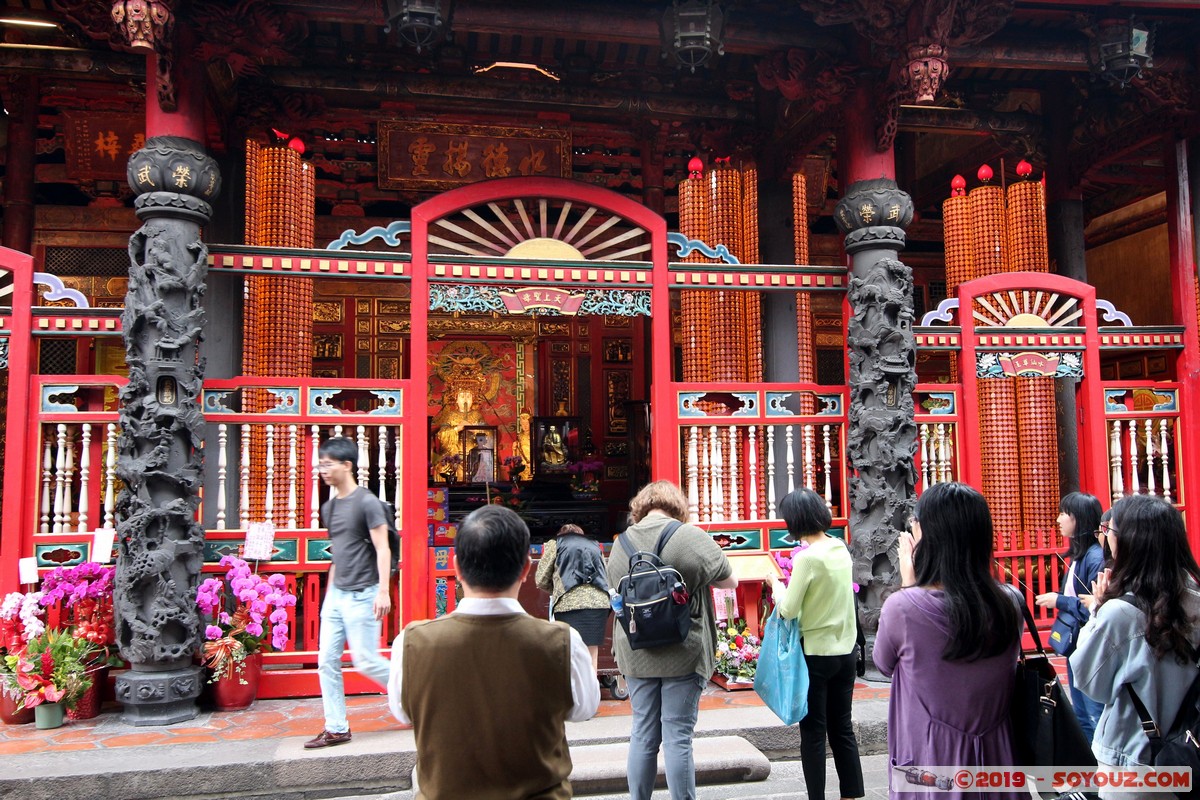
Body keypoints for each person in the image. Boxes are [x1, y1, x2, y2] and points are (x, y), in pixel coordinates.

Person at [388, 505, 600, 799]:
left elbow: (401, 711)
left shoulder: (411, 643)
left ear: (457, 567)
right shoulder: (563, 642)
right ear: (525, 569)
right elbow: (584, 709)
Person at [873, 482, 1023, 799]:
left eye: (915, 525)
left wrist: (909, 585)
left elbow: (883, 663)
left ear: (928, 538)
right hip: (998, 759)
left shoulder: (902, 608)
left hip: (929, 759)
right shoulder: (1011, 602)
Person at [606, 480, 738, 800]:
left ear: (641, 507)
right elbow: (730, 581)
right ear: (678, 507)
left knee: (643, 733)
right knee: (677, 735)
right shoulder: (690, 536)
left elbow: (613, 590)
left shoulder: (621, 544)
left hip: (637, 651)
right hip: (683, 649)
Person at [1071, 494, 1200, 778]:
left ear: (1131, 542)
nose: (1106, 537)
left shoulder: (1119, 613)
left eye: (1110, 530)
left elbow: (1089, 682)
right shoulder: (1196, 598)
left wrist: (1097, 612)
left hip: (1134, 758)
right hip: (1189, 751)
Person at [767, 488, 864, 800]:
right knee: (842, 729)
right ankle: (851, 795)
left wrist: (775, 586)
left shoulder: (807, 558)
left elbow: (788, 609)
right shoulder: (840, 548)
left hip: (815, 656)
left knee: (813, 734)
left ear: (795, 521)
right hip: (845, 652)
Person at [305, 436, 393, 749]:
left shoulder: (367, 502)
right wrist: (329, 596)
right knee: (326, 661)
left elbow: (383, 548)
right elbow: (338, 552)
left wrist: (383, 591)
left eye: (328, 464)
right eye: (321, 464)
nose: (323, 470)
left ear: (347, 465)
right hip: (336, 595)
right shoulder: (329, 508)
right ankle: (336, 727)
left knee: (366, 661)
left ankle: (417, 693)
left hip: (364, 592)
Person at [1034, 491, 1105, 741]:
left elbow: (1095, 606)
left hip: (1089, 647)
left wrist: (1059, 600)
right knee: (1082, 714)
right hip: (1077, 645)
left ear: (1079, 518)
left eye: (1064, 513)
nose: (1058, 519)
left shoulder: (1095, 558)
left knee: (1094, 713)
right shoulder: (1080, 555)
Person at [536, 523, 611, 672]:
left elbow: (541, 579)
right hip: (598, 604)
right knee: (591, 655)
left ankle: (572, 687)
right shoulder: (595, 544)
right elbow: (605, 575)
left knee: (570, 654)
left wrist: (557, 589)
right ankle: (591, 687)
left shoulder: (555, 544)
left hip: (569, 604)